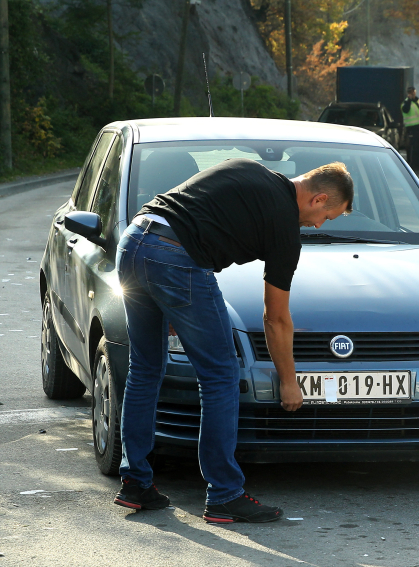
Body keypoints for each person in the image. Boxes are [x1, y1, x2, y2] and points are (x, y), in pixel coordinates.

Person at [114, 159, 353, 523]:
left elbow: (195, 208)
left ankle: (135, 484)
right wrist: (289, 381)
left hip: (135, 241)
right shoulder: (285, 230)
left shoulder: (252, 171)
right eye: (327, 217)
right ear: (319, 199)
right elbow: (275, 319)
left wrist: (171, 297)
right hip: (177, 257)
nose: (319, 225)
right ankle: (224, 494)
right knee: (221, 375)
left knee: (144, 368)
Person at [401, 86, 419, 172]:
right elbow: (405, 110)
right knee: (412, 147)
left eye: (413, 92)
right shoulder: (406, 103)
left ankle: (418, 163)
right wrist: (409, 99)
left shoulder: (418, 101)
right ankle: (411, 164)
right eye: (410, 93)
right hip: (411, 127)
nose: (412, 93)